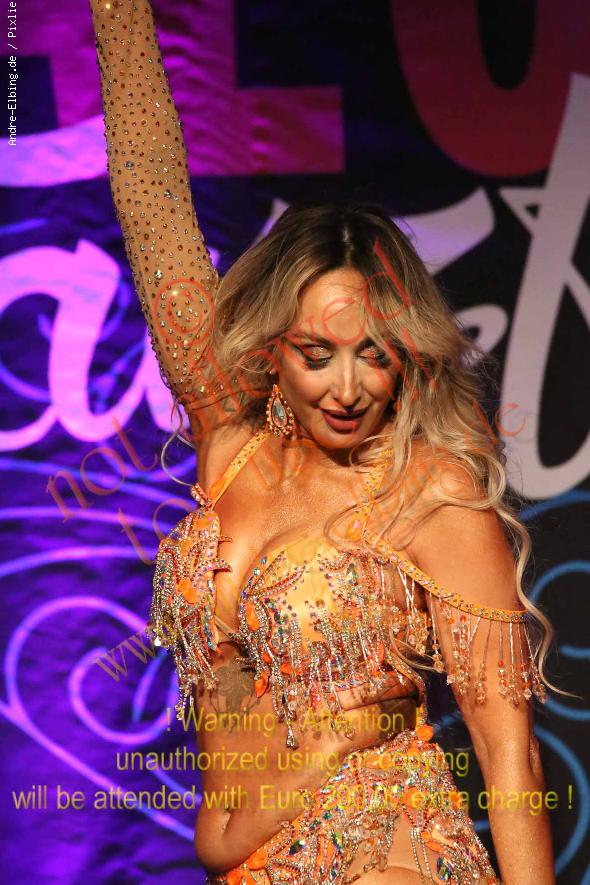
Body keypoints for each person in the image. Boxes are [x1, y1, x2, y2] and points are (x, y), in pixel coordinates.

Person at [89, 1, 556, 881]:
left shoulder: (430, 489)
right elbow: (154, 203)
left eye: (374, 354)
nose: (347, 388)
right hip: (246, 857)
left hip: (384, 855)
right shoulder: (232, 441)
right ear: (274, 346)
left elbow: (511, 759)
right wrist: (118, 16)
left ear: (406, 353)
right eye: (317, 354)